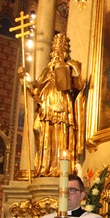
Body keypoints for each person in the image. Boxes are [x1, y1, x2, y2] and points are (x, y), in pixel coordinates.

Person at [30, 33, 86, 177]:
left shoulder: (69, 66)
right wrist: (26, 82)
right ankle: (45, 166)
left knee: (61, 133)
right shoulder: (47, 70)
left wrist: (75, 70)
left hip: (62, 104)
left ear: (64, 53)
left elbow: (79, 85)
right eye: (54, 51)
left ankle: (59, 168)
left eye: (59, 51)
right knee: (39, 130)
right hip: (47, 105)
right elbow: (37, 88)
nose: (56, 54)